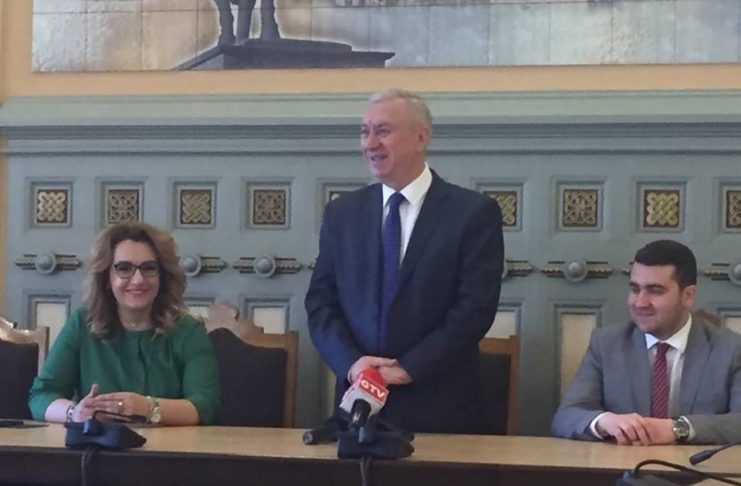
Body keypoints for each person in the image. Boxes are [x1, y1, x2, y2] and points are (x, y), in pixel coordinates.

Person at [305, 89, 504, 434]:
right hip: (358, 409)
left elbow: (475, 308)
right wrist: (353, 364)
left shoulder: (472, 213)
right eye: (364, 132)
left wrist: (408, 368)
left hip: (440, 410)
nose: (370, 144)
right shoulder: (342, 214)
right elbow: (321, 303)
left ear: (421, 138)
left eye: (383, 131)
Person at [29, 223, 220, 425]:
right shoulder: (82, 324)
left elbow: (205, 406)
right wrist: (74, 413)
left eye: (149, 268)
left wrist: (148, 407)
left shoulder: (188, 331)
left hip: (169, 444)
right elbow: (42, 395)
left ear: (162, 277)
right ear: (106, 277)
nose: (138, 280)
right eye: (124, 268)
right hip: (99, 444)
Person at [552, 239, 741, 445]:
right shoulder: (606, 344)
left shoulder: (731, 349)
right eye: (635, 289)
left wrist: (678, 428)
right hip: (622, 464)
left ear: (687, 296)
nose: (640, 303)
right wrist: (604, 421)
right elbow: (566, 417)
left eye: (655, 291)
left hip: (697, 465)